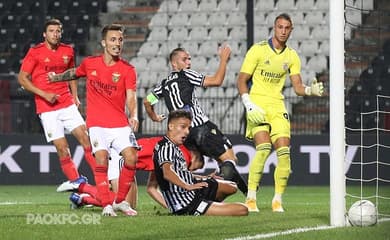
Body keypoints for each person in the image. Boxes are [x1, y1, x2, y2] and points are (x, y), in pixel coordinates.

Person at [236, 13, 324, 212]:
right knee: (264, 148)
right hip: (257, 105)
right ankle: (251, 198)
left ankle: (277, 200)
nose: (283, 31)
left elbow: (298, 87)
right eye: (280, 27)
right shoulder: (257, 50)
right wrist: (248, 104)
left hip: (277, 106)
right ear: (274, 28)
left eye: (287, 28)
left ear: (291, 30)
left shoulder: (291, 56)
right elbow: (241, 80)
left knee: (284, 153)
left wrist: (311, 91)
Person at [49, 24, 139, 217]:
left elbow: (131, 97)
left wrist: (134, 115)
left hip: (120, 123)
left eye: (120, 40)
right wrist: (56, 78)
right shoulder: (91, 63)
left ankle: (120, 201)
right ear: (104, 42)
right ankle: (106, 205)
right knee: (101, 159)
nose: (117, 44)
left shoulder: (128, 69)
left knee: (132, 157)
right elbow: (73, 73)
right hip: (97, 124)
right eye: (113, 40)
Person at [143, 46, 248, 196]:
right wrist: (224, 60)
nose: (189, 62)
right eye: (184, 59)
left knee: (197, 163)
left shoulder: (164, 85)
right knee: (230, 160)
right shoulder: (186, 75)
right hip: (201, 128)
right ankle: (211, 191)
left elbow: (147, 101)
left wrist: (154, 117)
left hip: (185, 134)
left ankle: (248, 192)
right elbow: (217, 81)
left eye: (189, 59)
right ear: (174, 64)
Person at [18, 19, 97, 191]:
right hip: (46, 108)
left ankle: (101, 179)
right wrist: (44, 94)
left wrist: (75, 96)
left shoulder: (68, 50)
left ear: (61, 33)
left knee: (86, 139)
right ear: (44, 34)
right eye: (51, 31)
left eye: (58, 31)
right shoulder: (35, 52)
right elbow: (22, 78)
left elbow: (72, 74)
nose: (55, 34)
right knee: (62, 148)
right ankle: (78, 184)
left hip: (66, 102)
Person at [153, 110, 248, 216]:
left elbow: (181, 173)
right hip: (186, 203)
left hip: (193, 190)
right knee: (242, 210)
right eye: (183, 127)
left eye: (188, 128)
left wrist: (203, 177)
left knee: (232, 186)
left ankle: (212, 206)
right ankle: (208, 208)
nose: (187, 132)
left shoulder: (172, 146)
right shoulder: (167, 148)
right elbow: (167, 172)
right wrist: (186, 186)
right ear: (171, 126)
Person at [69, 136, 204, 210]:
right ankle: (82, 187)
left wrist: (171, 208)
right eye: (194, 167)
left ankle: (81, 199)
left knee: (129, 205)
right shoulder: (182, 156)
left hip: (127, 163)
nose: (190, 170)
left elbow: (151, 189)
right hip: (120, 159)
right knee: (121, 204)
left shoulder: (168, 155)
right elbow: (181, 179)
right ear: (194, 157)